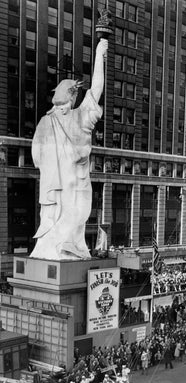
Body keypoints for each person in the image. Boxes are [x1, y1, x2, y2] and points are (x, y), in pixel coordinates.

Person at [30, 39, 108, 260]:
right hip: (74, 184)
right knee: (79, 212)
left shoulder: (45, 121)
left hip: (54, 186)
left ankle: (66, 246)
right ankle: (66, 246)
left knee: (64, 216)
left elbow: (36, 155)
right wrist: (99, 54)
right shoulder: (79, 116)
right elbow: (96, 90)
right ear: (73, 96)